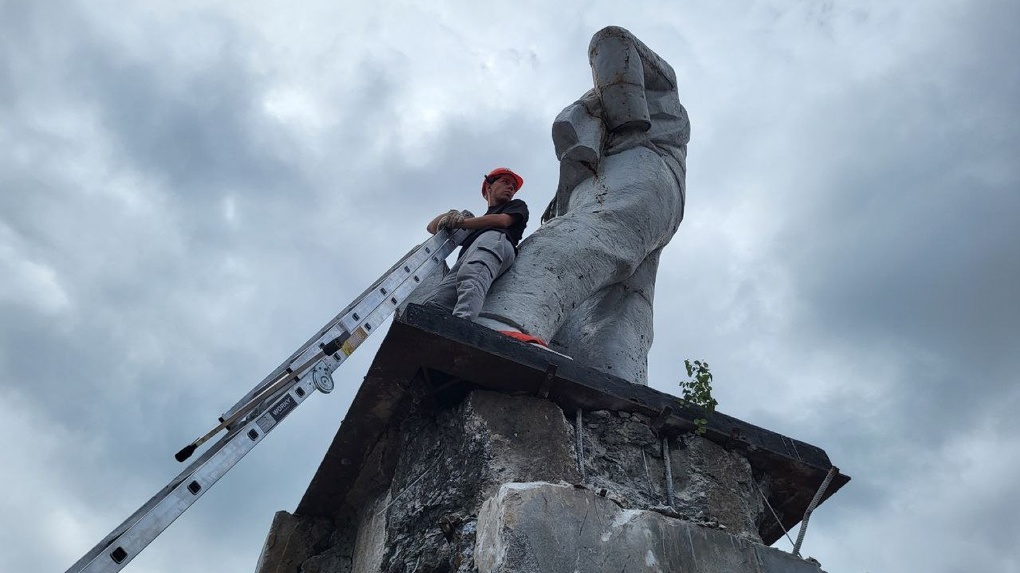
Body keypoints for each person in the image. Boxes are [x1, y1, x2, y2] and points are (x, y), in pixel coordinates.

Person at [476, 27, 690, 385]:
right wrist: (629, 121)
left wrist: (626, 120)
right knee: (599, 235)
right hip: (639, 166)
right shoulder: (652, 100)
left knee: (627, 293)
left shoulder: (654, 92)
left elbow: (613, 41)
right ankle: (506, 318)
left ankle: (616, 378)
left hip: (644, 172)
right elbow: (611, 40)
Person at [423, 167, 529, 321]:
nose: (511, 188)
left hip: (496, 242)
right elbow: (431, 228)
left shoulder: (517, 206)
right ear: (489, 186)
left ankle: (461, 326)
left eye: (513, 186)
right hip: (469, 254)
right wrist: (449, 216)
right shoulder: (474, 225)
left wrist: (462, 222)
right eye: (505, 182)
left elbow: (502, 221)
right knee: (440, 297)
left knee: (472, 276)